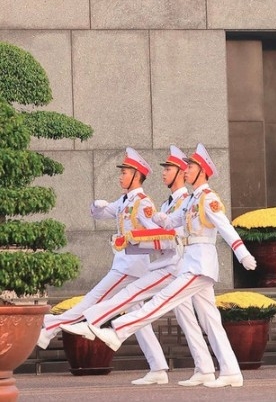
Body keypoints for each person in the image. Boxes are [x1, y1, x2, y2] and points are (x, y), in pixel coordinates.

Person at [88, 143, 258, 388]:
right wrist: (157, 218)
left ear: (203, 171)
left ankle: (119, 330)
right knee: (210, 320)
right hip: (191, 261)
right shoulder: (192, 200)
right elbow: (170, 221)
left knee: (163, 299)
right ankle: (227, 370)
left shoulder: (208, 198)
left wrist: (241, 253)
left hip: (199, 264)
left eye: (190, 167)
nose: (185, 170)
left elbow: (225, 227)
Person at [60, 146, 216, 386]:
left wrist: (134, 241)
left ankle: (92, 322)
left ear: (182, 171)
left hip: (183, 265)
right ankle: (197, 368)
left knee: (151, 304)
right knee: (189, 319)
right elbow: (159, 238)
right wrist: (131, 242)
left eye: (169, 169)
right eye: (164, 168)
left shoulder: (186, 201)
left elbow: (174, 236)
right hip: (173, 264)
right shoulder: (166, 206)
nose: (164, 173)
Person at [36, 147, 165, 377]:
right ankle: (159, 367)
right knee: (138, 321)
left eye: (125, 172)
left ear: (137, 176)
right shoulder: (125, 200)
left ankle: (51, 328)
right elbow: (100, 214)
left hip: (131, 267)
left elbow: (156, 233)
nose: (120, 175)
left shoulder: (143, 204)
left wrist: (129, 240)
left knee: (94, 300)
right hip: (125, 265)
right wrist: (98, 205)